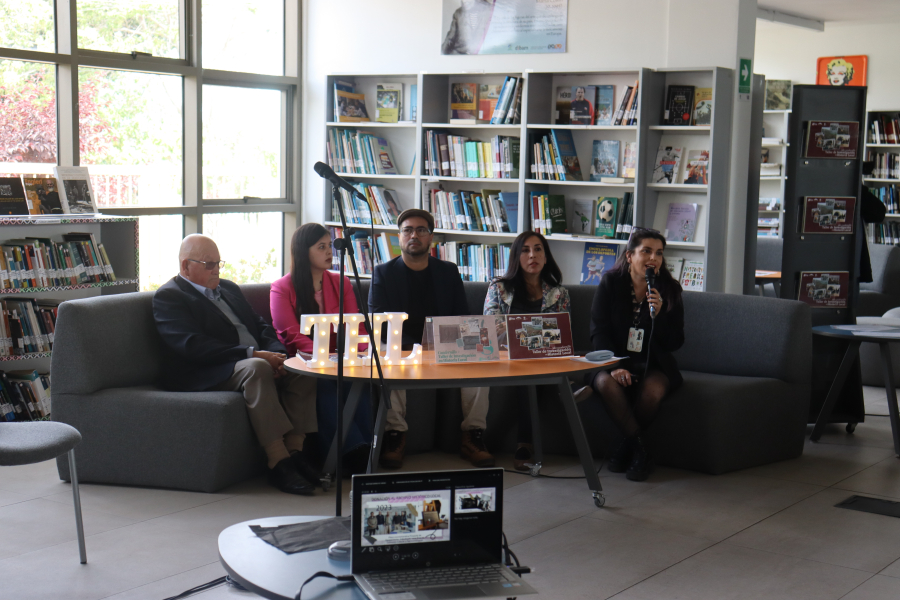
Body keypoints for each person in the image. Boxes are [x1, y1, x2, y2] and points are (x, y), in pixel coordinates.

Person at [153, 234, 320, 496]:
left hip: (252, 358)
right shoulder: (170, 296)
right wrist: (252, 353)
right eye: (209, 264)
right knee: (256, 368)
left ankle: (296, 451)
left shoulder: (228, 288)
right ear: (186, 266)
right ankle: (278, 461)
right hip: (207, 370)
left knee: (302, 367)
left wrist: (277, 354)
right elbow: (192, 345)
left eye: (219, 263)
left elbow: (261, 325)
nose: (216, 269)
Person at [369, 208, 493, 469]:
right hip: (401, 345)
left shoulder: (448, 271)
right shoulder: (383, 272)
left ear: (431, 238)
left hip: (444, 345)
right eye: (408, 230)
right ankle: (395, 434)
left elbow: (462, 317)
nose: (414, 235)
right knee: (388, 355)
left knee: (480, 361)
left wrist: (444, 345)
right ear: (399, 236)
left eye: (421, 230)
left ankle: (473, 436)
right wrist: (410, 348)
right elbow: (379, 321)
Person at [270, 223, 373, 473]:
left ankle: (368, 448)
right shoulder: (281, 288)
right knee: (325, 383)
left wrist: (360, 352)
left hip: (340, 356)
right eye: (322, 247)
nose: (329, 252)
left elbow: (355, 325)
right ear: (303, 252)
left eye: (330, 246)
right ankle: (349, 453)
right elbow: (292, 336)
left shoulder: (342, 282)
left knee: (360, 379)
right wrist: (327, 358)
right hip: (305, 361)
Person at [589, 229, 685, 482]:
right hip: (614, 360)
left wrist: (661, 314)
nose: (654, 258)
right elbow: (599, 331)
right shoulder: (610, 283)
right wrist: (614, 366)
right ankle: (641, 450)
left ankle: (624, 446)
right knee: (603, 382)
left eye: (659, 253)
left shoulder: (670, 290)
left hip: (653, 364)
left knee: (653, 390)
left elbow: (675, 342)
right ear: (630, 256)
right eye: (647, 251)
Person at [483, 231, 571, 470]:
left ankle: (524, 442)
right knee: (527, 369)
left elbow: (560, 334)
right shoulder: (499, 288)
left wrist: (520, 331)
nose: (532, 255)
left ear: (546, 255)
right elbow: (492, 328)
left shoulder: (559, 293)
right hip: (506, 356)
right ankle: (526, 441)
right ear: (516, 256)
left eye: (538, 249)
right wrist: (536, 333)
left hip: (543, 357)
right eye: (525, 250)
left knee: (533, 367)